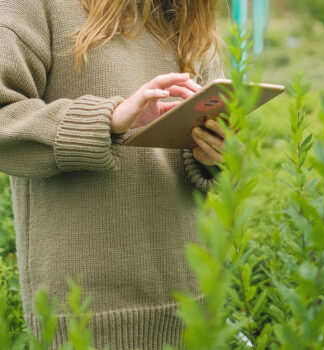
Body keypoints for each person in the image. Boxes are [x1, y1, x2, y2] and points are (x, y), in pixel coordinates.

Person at [0, 0, 226, 348]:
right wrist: (109, 119)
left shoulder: (188, 13)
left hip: (190, 302)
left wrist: (214, 153)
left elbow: (194, 151)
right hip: (84, 312)